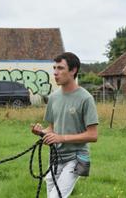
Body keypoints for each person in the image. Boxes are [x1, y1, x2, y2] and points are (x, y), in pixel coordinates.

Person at [31, 52, 98, 198]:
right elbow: (52, 129)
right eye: (54, 68)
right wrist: (41, 132)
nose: (55, 73)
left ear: (73, 70)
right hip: (55, 157)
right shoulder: (53, 98)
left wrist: (61, 138)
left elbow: (93, 135)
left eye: (60, 68)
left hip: (76, 157)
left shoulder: (86, 98)